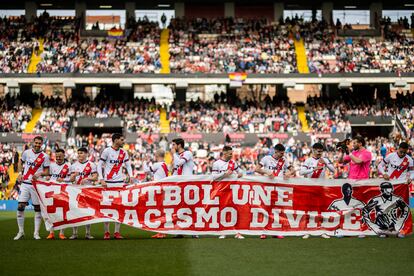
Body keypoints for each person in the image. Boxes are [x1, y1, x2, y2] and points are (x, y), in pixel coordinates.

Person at [98, 133, 133, 240]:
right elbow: (100, 165)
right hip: (108, 183)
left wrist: (131, 176)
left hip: (119, 183)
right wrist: (101, 178)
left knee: (119, 208)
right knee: (107, 208)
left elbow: (128, 165)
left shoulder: (124, 152)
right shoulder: (107, 151)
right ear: (115, 140)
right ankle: (107, 232)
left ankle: (117, 232)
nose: (123, 141)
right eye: (121, 140)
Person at [14, 136, 50, 240]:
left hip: (36, 185)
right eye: (36, 143)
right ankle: (20, 232)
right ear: (33, 142)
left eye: (39, 143)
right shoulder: (26, 153)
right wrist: (20, 173)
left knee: (37, 209)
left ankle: (36, 233)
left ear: (42, 144)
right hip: (25, 184)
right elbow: (20, 162)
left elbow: (47, 172)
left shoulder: (45, 156)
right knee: (20, 207)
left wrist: (40, 174)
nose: (37, 145)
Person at [255, 143, 293, 239]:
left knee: (277, 210)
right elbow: (257, 169)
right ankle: (263, 231)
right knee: (265, 209)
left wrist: (289, 173)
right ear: (275, 151)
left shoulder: (284, 160)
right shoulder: (266, 159)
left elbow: (293, 169)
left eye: (283, 153)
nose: (282, 155)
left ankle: (275, 231)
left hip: (280, 188)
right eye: (281, 153)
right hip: (267, 188)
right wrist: (267, 172)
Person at [300, 143, 335, 239]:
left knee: (320, 209)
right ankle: (306, 230)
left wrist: (326, 163)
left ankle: (321, 230)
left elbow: (333, 170)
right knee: (308, 209)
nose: (320, 153)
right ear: (313, 150)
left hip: (320, 187)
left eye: (321, 151)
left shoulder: (325, 160)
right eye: (318, 151)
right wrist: (313, 169)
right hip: (309, 187)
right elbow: (301, 172)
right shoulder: (308, 160)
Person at [211, 146, 244, 239]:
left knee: (236, 210)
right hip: (222, 190)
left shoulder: (233, 162)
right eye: (230, 153)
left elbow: (240, 171)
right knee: (222, 211)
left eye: (231, 153)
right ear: (224, 153)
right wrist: (224, 174)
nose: (231, 155)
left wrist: (241, 173)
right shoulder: (216, 164)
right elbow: (214, 177)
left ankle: (237, 232)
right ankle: (223, 231)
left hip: (233, 189)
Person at [170, 138, 197, 238]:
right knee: (179, 208)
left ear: (179, 145)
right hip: (179, 185)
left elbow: (179, 163)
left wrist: (174, 155)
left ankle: (194, 232)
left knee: (190, 208)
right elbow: (176, 169)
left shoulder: (188, 153)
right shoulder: (177, 156)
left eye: (174, 145)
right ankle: (180, 231)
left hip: (188, 184)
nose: (172, 147)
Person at [69, 147, 98, 239]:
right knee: (74, 211)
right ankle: (74, 233)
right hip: (76, 190)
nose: (79, 155)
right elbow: (71, 179)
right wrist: (73, 176)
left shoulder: (92, 165)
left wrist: (87, 178)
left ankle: (88, 233)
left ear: (86, 154)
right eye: (78, 153)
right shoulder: (73, 165)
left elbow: (95, 177)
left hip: (87, 190)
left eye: (81, 153)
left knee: (87, 212)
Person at [46, 148, 71, 240]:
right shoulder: (51, 165)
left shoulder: (68, 166)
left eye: (60, 156)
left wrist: (64, 179)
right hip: (52, 192)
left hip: (63, 192)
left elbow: (72, 179)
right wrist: (48, 178)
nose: (58, 158)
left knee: (63, 213)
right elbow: (48, 176)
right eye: (57, 156)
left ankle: (61, 233)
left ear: (64, 155)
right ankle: (51, 232)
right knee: (51, 212)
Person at [144, 149, 169, 239]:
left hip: (158, 189)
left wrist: (144, 161)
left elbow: (146, 170)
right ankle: (162, 231)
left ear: (157, 155)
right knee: (161, 210)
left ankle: (161, 232)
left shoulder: (157, 164)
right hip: (163, 189)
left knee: (159, 211)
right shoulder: (165, 164)